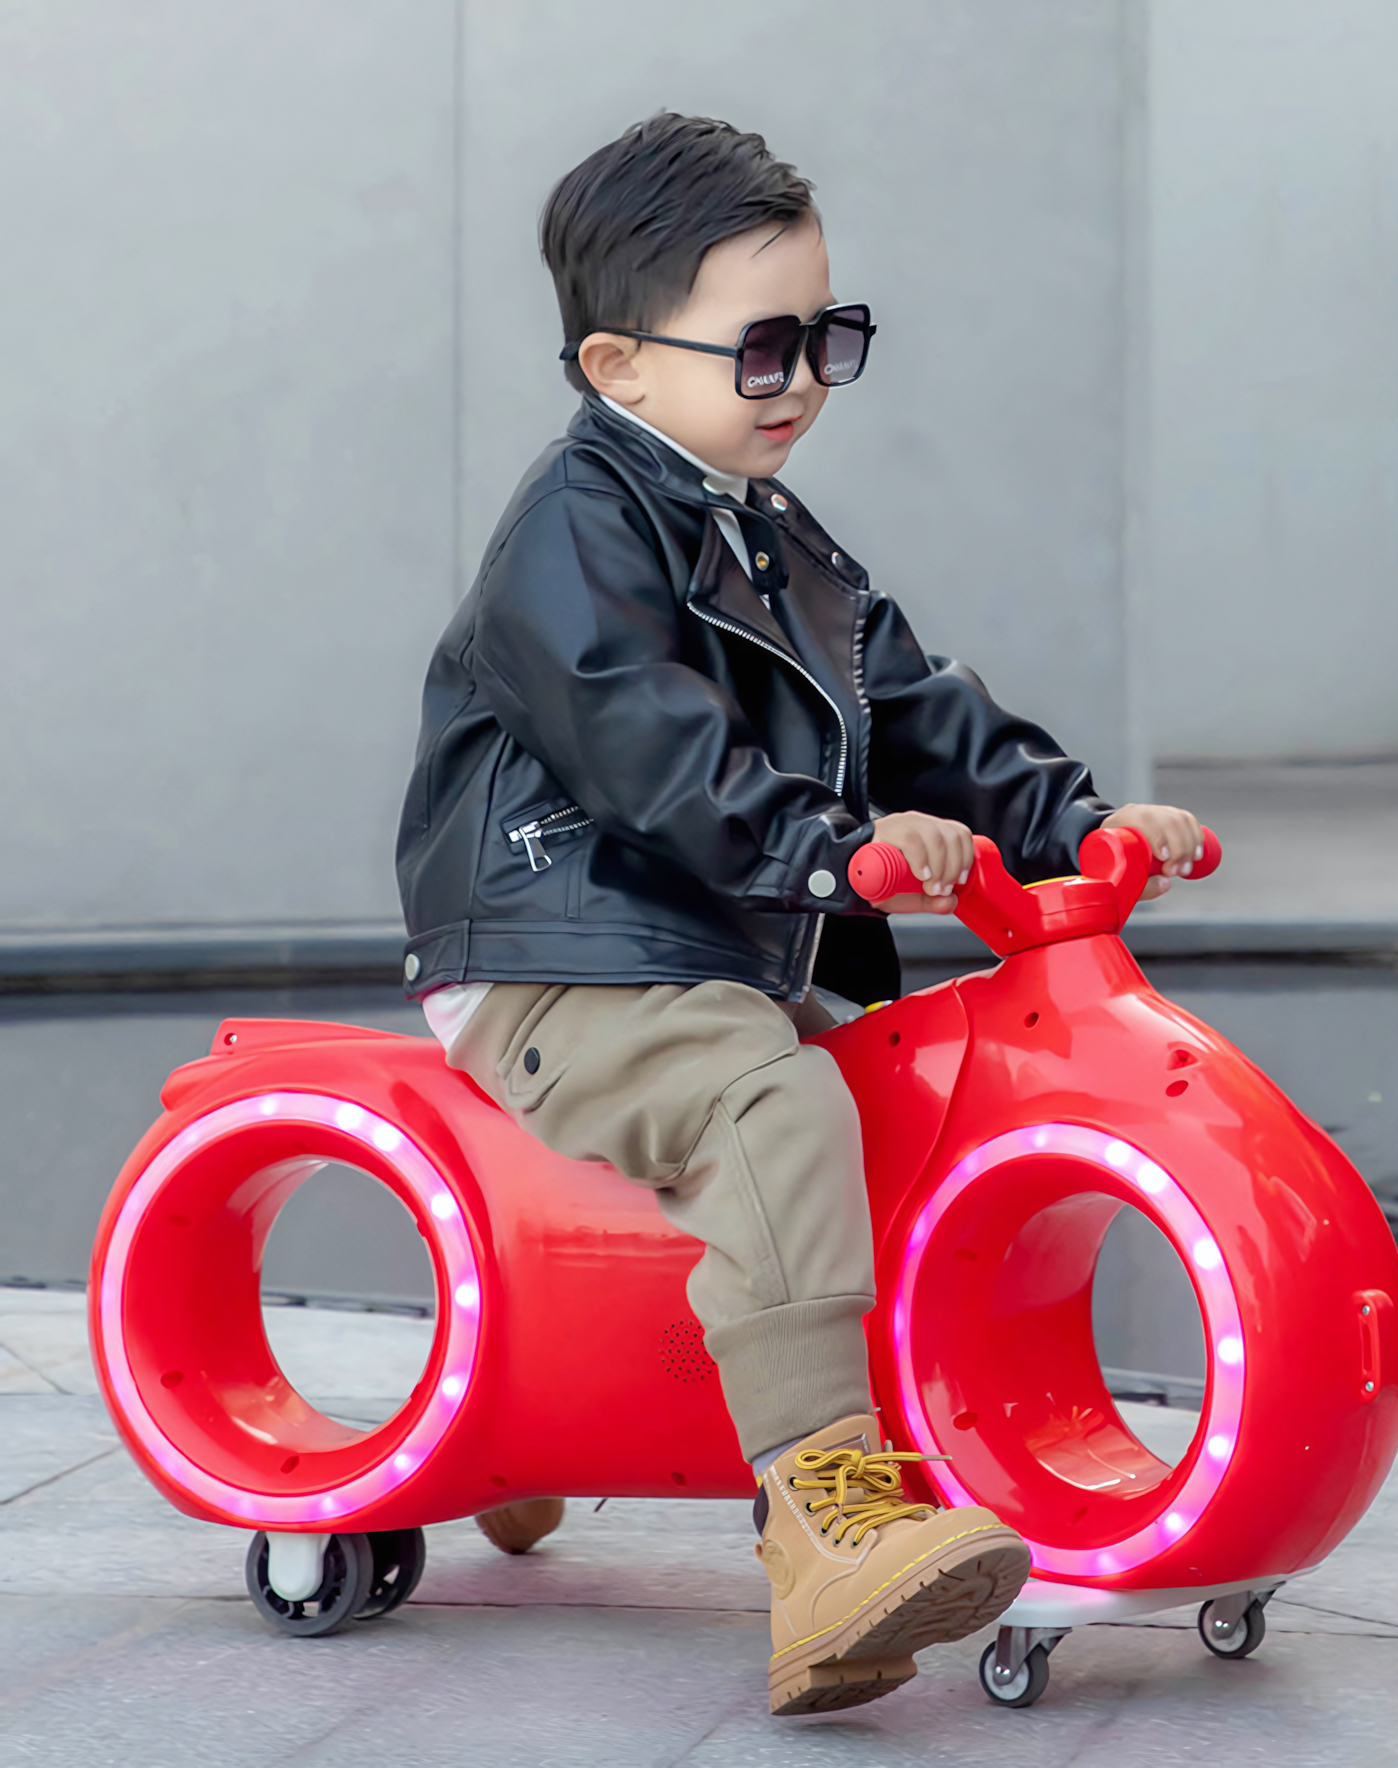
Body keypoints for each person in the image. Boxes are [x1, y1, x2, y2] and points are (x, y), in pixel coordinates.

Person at [395, 112, 1203, 1716]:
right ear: (621, 367)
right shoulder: (573, 532)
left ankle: (805, 1431)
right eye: (765, 350)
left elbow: (915, 706)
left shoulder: (771, 530)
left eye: (830, 338)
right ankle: (825, 1533)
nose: (805, 383)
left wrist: (1075, 820)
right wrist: (833, 850)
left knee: (910, 1093)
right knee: (772, 1106)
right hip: (563, 949)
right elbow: (649, 748)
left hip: (707, 934)